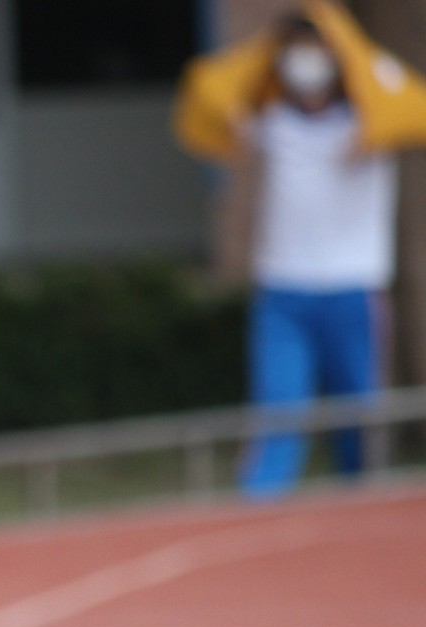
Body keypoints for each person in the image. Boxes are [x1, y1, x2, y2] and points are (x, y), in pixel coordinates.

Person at [174, 2, 426, 499]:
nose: (305, 63)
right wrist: (263, 53)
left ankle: (362, 505)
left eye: (317, 51)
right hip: (283, 290)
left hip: (353, 289)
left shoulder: (375, 123)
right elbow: (208, 88)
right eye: (295, 53)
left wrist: (350, 50)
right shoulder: (271, 123)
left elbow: (413, 104)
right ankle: (259, 504)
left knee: (359, 419)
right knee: (278, 411)